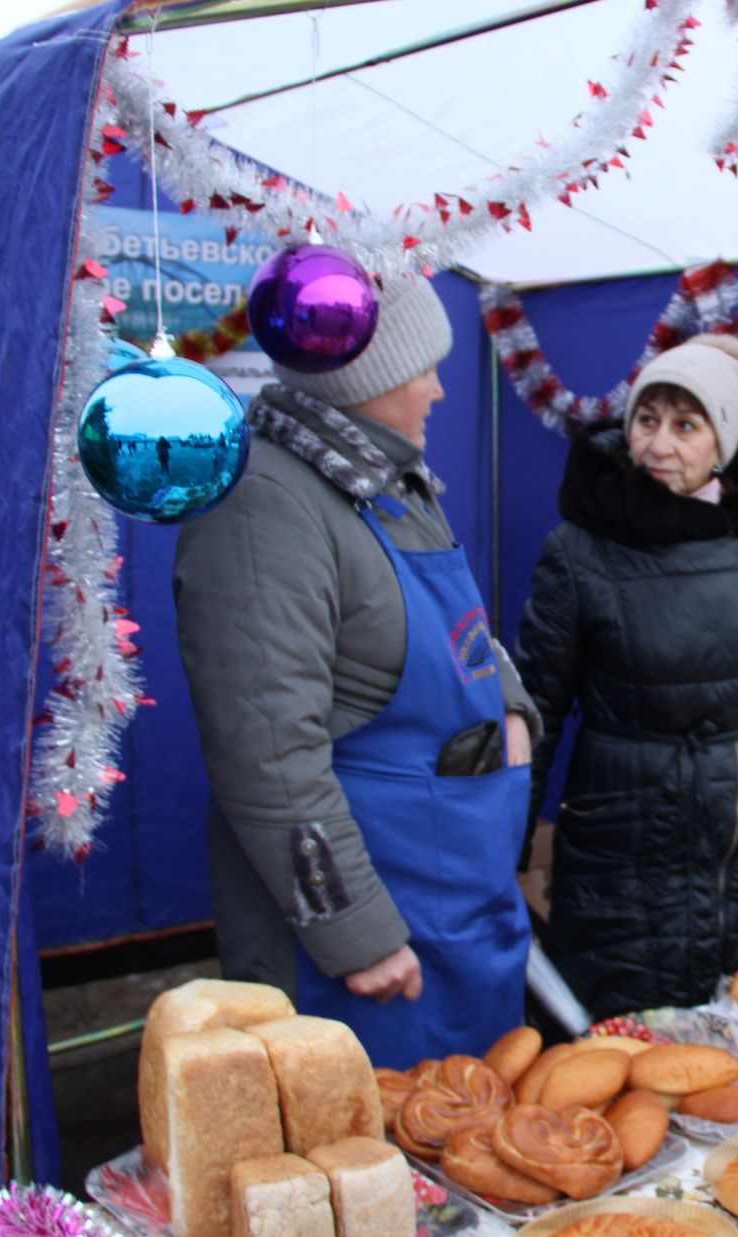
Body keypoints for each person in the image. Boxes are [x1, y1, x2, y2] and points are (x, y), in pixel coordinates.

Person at [173, 272, 540, 1068]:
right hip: (371, 932)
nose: (440, 391)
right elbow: (265, 752)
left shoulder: (392, 484)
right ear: (367, 378)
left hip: (460, 892)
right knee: (378, 1156)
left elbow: (465, 634)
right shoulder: (262, 503)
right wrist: (355, 932)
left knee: (483, 1141)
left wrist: (510, 711)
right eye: (423, 369)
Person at [512, 333, 738, 1020]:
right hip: (620, 838)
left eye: (686, 426)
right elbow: (533, 709)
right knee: (625, 1048)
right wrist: (507, 848)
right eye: (647, 420)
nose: (658, 446)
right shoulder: (578, 550)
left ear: (724, 443)